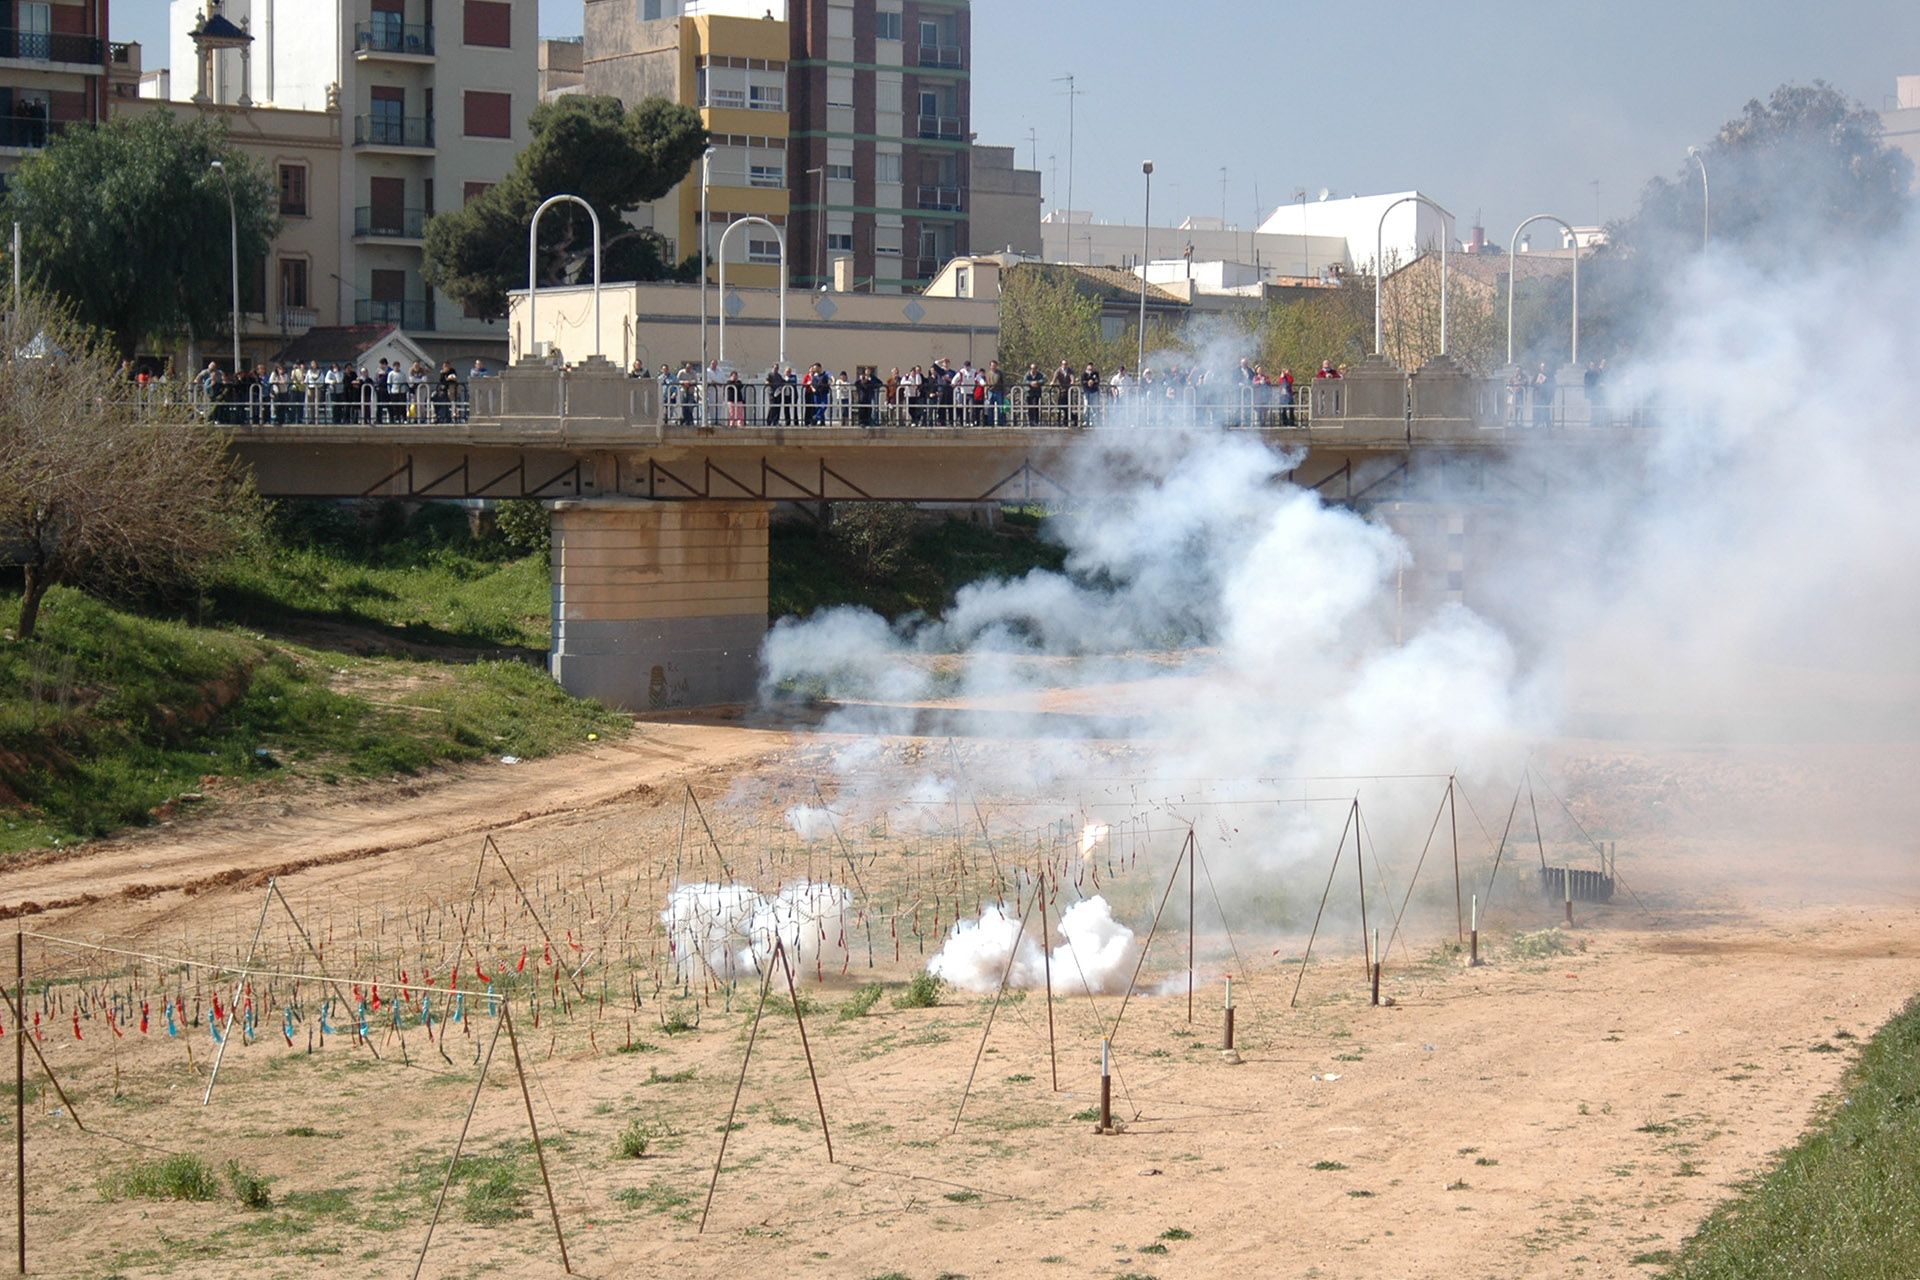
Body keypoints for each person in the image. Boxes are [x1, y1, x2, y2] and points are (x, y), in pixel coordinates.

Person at [1532, 361, 1554, 428]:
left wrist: (1550, 393)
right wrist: (1537, 385)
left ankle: (1548, 423)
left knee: (1546, 410)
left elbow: (1553, 384)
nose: (1543, 368)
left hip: (1546, 395)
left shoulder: (1550, 375)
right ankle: (1536, 423)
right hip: (1538, 395)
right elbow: (1532, 383)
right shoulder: (1537, 374)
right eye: (1542, 367)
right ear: (1540, 368)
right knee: (1537, 409)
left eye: (1544, 367)